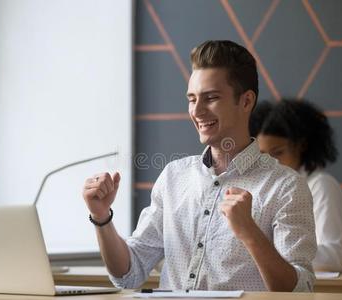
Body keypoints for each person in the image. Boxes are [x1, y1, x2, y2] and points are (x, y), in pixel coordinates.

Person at [82, 40, 316, 292]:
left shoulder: (286, 186)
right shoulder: (173, 176)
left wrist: (249, 232)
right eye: (192, 99)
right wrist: (101, 217)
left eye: (211, 98)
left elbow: (300, 292)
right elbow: (129, 273)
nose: (198, 111)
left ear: (246, 101)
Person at [250, 99, 342, 272]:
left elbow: (336, 257)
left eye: (278, 153)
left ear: (302, 146)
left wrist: (275, 251)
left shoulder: (320, 185)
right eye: (262, 154)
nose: (270, 162)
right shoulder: (258, 188)